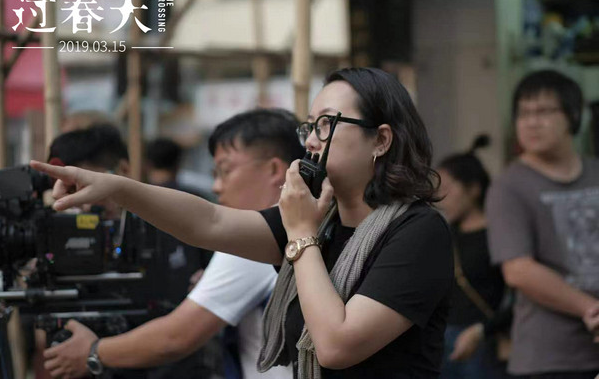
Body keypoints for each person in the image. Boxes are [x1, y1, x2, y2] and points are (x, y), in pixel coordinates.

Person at [32, 67, 454, 378]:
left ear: (381, 139)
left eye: (327, 124)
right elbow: (209, 222)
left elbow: (336, 345)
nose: (310, 140)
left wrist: (301, 235)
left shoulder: (417, 232)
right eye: (310, 126)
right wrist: (117, 188)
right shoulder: (318, 222)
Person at [42, 109, 301, 379]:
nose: (216, 187)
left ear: (274, 169)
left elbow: (176, 336)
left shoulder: (257, 242)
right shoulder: (296, 227)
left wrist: (93, 351)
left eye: (225, 171)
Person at [43, 124, 217, 379]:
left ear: (122, 170)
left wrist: (208, 280)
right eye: (68, 192)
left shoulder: (173, 220)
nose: (81, 203)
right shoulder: (55, 240)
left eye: (87, 186)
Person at [486, 70, 599, 378]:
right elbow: (518, 270)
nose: (531, 122)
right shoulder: (509, 186)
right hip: (549, 359)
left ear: (573, 115)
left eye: (544, 111)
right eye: (524, 114)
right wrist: (590, 309)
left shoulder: (595, 172)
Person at [436, 135, 511, 379]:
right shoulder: (444, 234)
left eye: (448, 188)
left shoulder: (498, 235)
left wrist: (483, 330)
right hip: (441, 339)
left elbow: (518, 298)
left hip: (482, 341)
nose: (441, 196)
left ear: (474, 189)